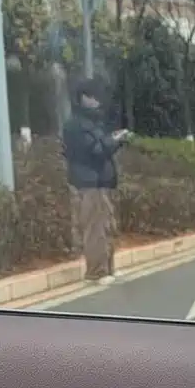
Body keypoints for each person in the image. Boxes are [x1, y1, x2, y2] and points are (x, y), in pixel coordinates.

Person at [62, 79, 130, 285]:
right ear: (82, 98)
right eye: (91, 96)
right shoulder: (76, 125)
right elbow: (96, 151)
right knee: (94, 229)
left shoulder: (94, 123)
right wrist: (116, 141)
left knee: (107, 227)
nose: (96, 100)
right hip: (88, 182)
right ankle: (96, 272)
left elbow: (101, 145)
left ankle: (108, 268)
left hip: (102, 182)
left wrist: (113, 139)